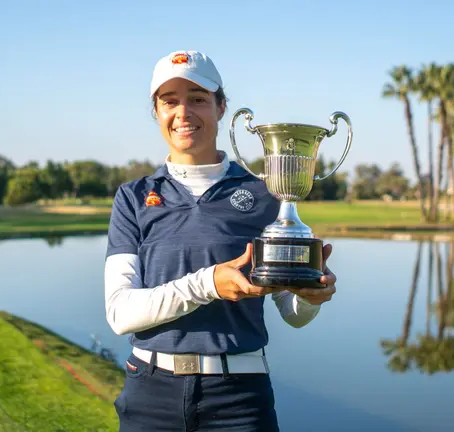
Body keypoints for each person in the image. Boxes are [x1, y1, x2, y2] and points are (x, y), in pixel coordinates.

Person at [104, 50, 338, 431]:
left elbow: (291, 312)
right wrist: (209, 283)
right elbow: (120, 312)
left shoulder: (265, 194)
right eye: (170, 102)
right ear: (157, 112)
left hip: (239, 397)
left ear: (221, 106)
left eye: (197, 99)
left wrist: (310, 297)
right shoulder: (133, 197)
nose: (183, 113)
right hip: (149, 392)